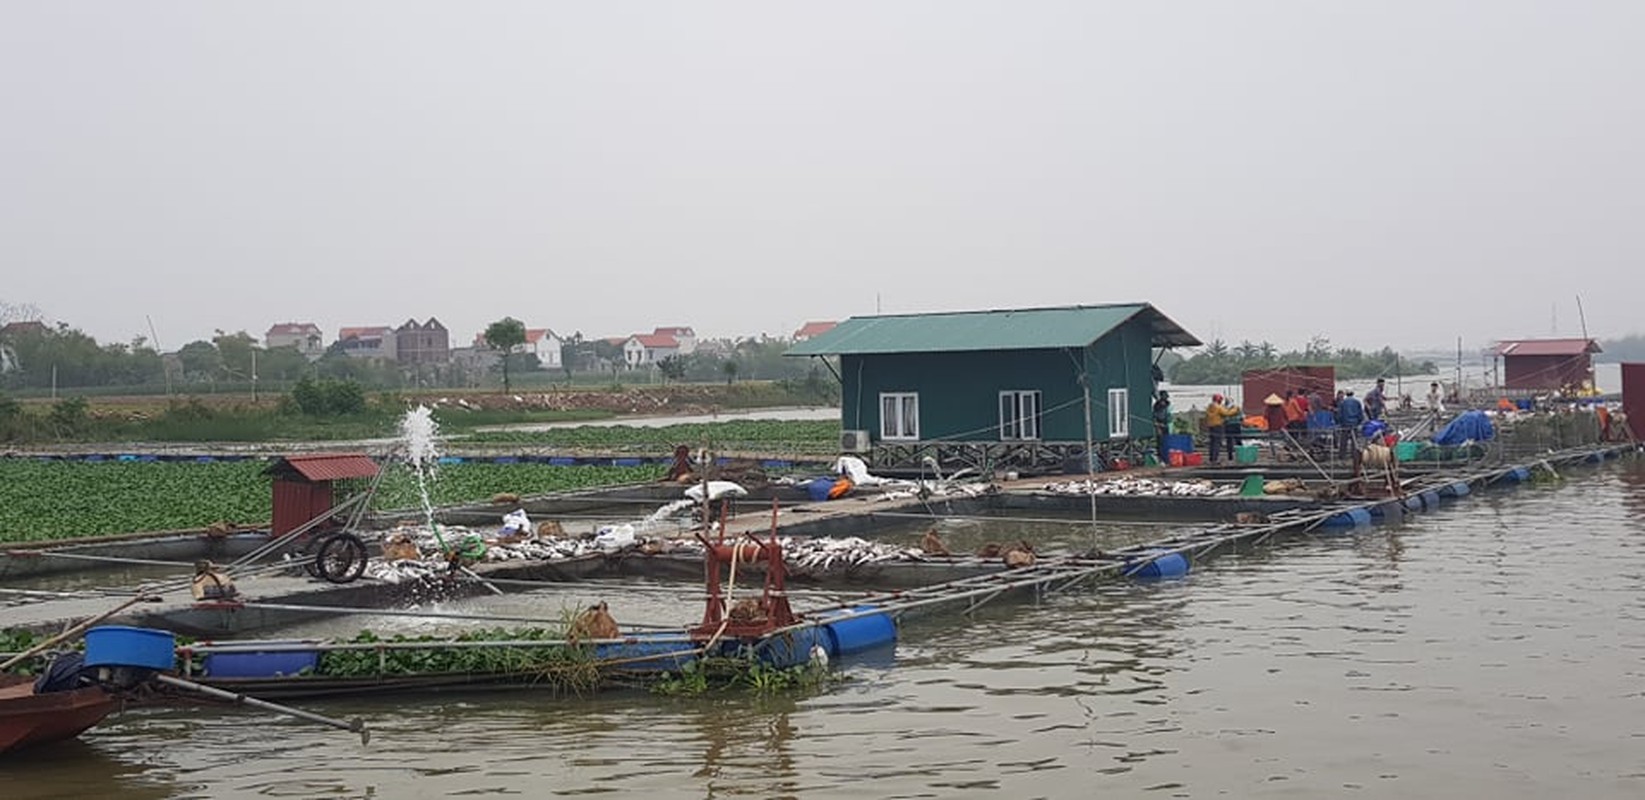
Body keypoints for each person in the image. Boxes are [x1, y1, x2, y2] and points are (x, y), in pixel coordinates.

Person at [1204, 393, 1240, 463]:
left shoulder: (1210, 406)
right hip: (1217, 426)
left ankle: (1211, 458)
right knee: (1217, 443)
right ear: (1219, 400)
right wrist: (1235, 409)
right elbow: (1227, 413)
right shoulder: (1218, 407)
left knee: (1212, 443)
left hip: (1211, 426)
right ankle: (1215, 459)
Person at [1336, 389, 1365, 459]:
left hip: (1345, 424)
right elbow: (1360, 414)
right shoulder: (1357, 402)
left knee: (1343, 440)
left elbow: (1340, 414)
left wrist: (1340, 422)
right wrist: (1359, 422)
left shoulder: (1343, 403)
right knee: (1354, 440)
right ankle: (1354, 455)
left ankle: (1342, 455)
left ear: (1346, 394)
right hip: (1354, 423)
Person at [1152, 391, 1172, 465]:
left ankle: (1167, 457)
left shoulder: (1168, 404)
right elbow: (1154, 416)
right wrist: (1157, 424)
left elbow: (1169, 415)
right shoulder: (1156, 406)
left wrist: (1168, 423)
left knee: (1166, 440)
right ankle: (1160, 458)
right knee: (1160, 441)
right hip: (1159, 424)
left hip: (1166, 424)